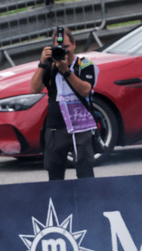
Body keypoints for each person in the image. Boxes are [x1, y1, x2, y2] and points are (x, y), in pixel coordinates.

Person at [30, 26, 97, 181]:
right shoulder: (50, 64)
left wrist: (66, 71)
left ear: (74, 44)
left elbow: (85, 90)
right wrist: (42, 63)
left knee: (86, 172)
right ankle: (59, 204)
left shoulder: (84, 64)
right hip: (56, 127)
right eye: (59, 48)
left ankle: (89, 203)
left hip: (81, 125)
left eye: (66, 47)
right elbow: (34, 88)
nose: (64, 51)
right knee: (55, 173)